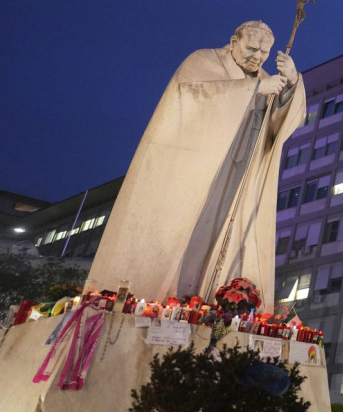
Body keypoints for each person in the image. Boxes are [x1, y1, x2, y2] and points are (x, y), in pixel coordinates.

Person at [89, 21, 306, 310]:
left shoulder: (268, 80)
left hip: (238, 174)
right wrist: (254, 88)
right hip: (196, 168)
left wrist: (291, 84)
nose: (257, 57)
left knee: (219, 239)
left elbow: (277, 129)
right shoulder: (203, 61)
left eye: (264, 52)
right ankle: (161, 296)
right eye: (251, 48)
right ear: (233, 41)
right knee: (184, 232)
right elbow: (190, 97)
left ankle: (205, 301)